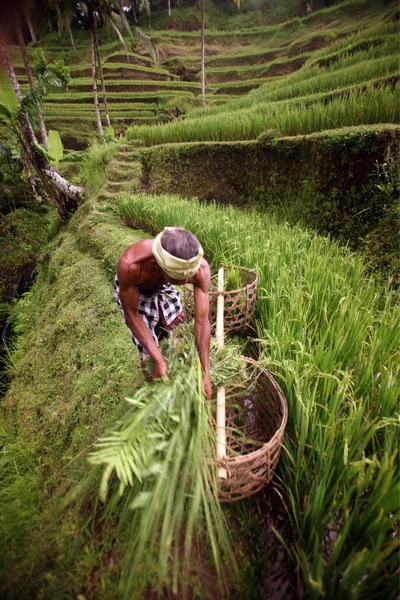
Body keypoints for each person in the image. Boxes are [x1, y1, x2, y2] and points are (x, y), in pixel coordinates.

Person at [114, 226, 212, 399]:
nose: (187, 282)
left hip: (162, 283)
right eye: (179, 279)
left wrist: (205, 373)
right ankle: (156, 390)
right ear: (158, 265)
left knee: (177, 331)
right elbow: (132, 314)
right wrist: (158, 359)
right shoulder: (131, 266)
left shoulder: (199, 269)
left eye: (189, 277)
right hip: (137, 290)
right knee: (149, 353)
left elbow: (202, 321)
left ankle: (177, 370)